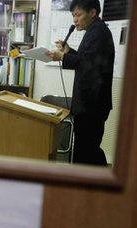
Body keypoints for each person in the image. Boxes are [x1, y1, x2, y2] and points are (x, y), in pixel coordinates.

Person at [48, 0, 115, 166]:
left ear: (92, 12)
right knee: (89, 150)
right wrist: (68, 51)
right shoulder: (94, 30)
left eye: (78, 15)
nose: (75, 20)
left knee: (85, 152)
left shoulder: (99, 32)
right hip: (89, 103)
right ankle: (102, 181)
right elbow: (86, 59)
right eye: (73, 16)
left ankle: (91, 186)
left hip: (91, 104)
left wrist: (63, 57)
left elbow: (89, 65)